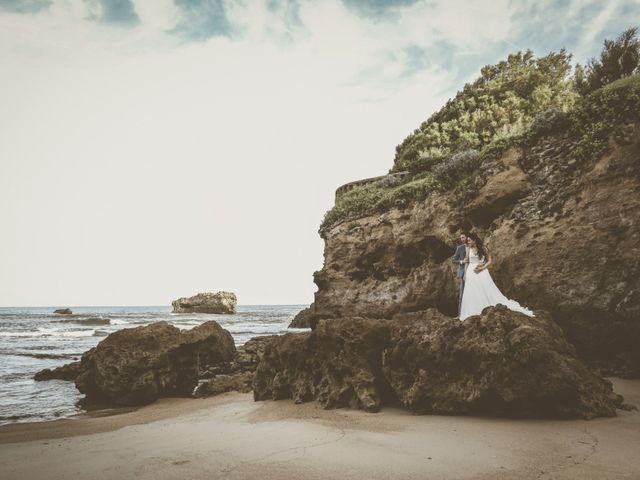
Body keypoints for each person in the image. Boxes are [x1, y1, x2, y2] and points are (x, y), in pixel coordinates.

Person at [459, 233, 534, 321]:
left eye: (469, 240)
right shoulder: (468, 249)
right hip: (471, 272)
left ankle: (487, 307)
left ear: (474, 240)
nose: (468, 242)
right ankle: (474, 310)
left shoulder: (483, 248)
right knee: (472, 291)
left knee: (486, 289)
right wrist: (465, 273)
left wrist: (483, 267)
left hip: (482, 272)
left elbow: (490, 261)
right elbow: (467, 261)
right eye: (467, 240)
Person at [451, 232, 468, 317]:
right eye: (461, 238)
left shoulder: (473, 246)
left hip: (474, 272)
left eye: (463, 237)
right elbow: (453, 260)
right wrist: (461, 261)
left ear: (467, 237)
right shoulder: (460, 248)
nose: (462, 239)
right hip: (463, 273)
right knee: (462, 294)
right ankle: (460, 314)